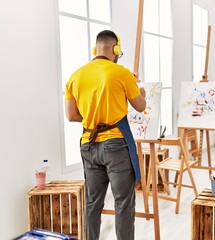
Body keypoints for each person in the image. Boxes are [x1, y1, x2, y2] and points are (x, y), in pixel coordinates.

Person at [64, 30, 146, 240]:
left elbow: (72, 116)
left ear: (96, 48)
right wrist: (139, 90)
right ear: (115, 49)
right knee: (123, 203)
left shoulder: (75, 76)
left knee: (93, 202)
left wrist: (95, 112)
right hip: (116, 145)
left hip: (88, 145)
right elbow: (140, 106)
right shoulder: (121, 73)